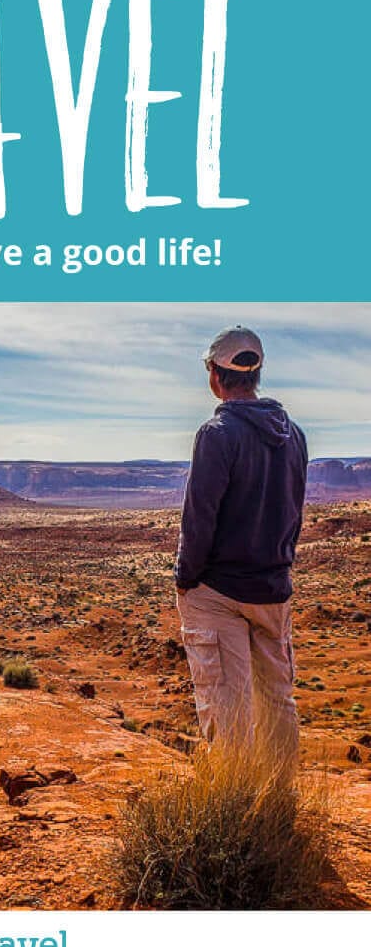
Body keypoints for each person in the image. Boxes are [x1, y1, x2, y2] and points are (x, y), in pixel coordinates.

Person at [175, 325, 308, 770]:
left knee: (226, 706)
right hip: (274, 589)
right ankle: (278, 804)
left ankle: (238, 809)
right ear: (256, 373)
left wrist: (185, 580)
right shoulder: (295, 435)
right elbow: (294, 510)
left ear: (215, 374)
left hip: (221, 593)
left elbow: (199, 519)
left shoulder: (217, 434)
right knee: (278, 701)